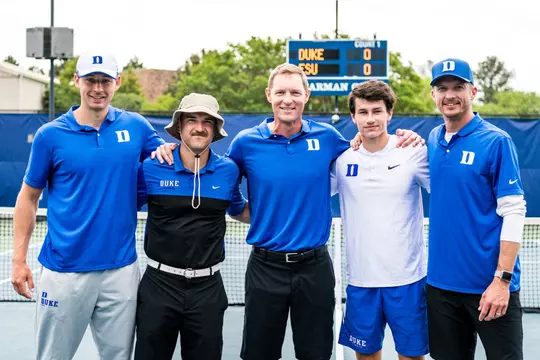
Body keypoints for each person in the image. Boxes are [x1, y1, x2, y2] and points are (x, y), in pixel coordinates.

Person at [154, 63, 423, 360]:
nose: (287, 99)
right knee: (259, 354)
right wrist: (168, 148)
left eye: (295, 92)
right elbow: (218, 175)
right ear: (269, 95)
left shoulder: (329, 138)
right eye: (280, 92)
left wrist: (405, 138)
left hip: (315, 268)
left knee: (317, 354)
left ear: (306, 95)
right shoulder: (246, 143)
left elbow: (368, 144)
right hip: (265, 268)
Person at [11, 53, 164, 360]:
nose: (98, 88)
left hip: (121, 271)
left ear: (117, 83)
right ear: (77, 81)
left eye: (105, 81)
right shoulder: (50, 135)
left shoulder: (136, 127)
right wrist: (19, 260)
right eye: (91, 80)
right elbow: (28, 197)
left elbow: (169, 160)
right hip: (64, 273)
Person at [134, 93, 249, 360]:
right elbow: (122, 210)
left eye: (207, 121)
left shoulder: (228, 171)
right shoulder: (151, 167)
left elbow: (239, 210)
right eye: (191, 120)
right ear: (179, 127)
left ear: (215, 129)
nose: (199, 127)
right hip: (158, 287)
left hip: (208, 290)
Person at [426, 58, 526, 360]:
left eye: (459, 87)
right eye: (442, 88)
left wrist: (502, 280)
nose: (450, 94)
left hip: (490, 289)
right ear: (433, 96)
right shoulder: (432, 139)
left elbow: (514, 210)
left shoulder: (496, 140)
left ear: (474, 91)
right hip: (441, 289)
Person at [332, 80, 430, 360]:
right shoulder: (341, 159)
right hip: (361, 281)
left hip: (408, 281)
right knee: (366, 357)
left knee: (411, 357)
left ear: (389, 113)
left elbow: (450, 191)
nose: (370, 118)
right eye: (363, 112)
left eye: (377, 111)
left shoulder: (413, 152)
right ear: (353, 117)